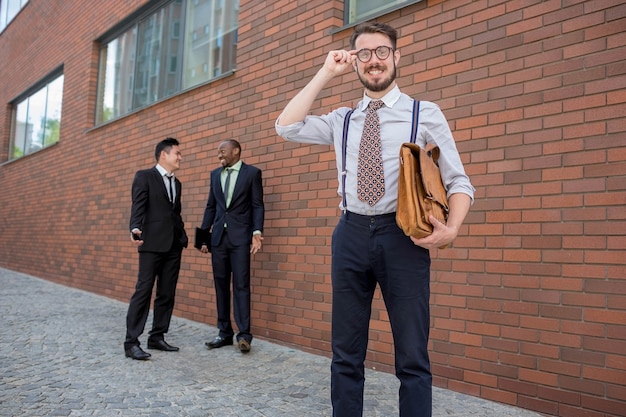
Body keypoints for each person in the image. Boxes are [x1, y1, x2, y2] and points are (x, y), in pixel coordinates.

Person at [275, 22, 474, 416]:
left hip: (402, 237)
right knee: (345, 353)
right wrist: (325, 72)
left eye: (382, 52)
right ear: (355, 64)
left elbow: (458, 180)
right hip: (350, 233)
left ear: (397, 57)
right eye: (363, 54)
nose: (373, 61)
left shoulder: (424, 113)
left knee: (413, 356)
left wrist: (452, 229)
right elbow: (286, 126)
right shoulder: (342, 119)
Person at [124, 137, 188, 360]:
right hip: (151, 244)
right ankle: (131, 342)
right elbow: (138, 206)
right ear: (164, 154)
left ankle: (157, 336)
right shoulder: (145, 176)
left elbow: (175, 213)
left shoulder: (177, 183)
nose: (180, 157)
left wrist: (183, 235)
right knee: (143, 291)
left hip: (173, 245)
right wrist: (135, 228)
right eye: (177, 153)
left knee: (166, 293)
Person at [200, 139, 264, 353]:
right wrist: (203, 238)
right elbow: (211, 206)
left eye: (223, 151)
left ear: (236, 151)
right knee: (220, 285)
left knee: (241, 285)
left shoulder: (252, 173)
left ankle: (244, 335)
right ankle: (224, 333)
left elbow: (257, 205)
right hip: (218, 238)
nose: (220, 155)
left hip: (240, 238)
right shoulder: (214, 175)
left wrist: (256, 232)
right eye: (218, 152)